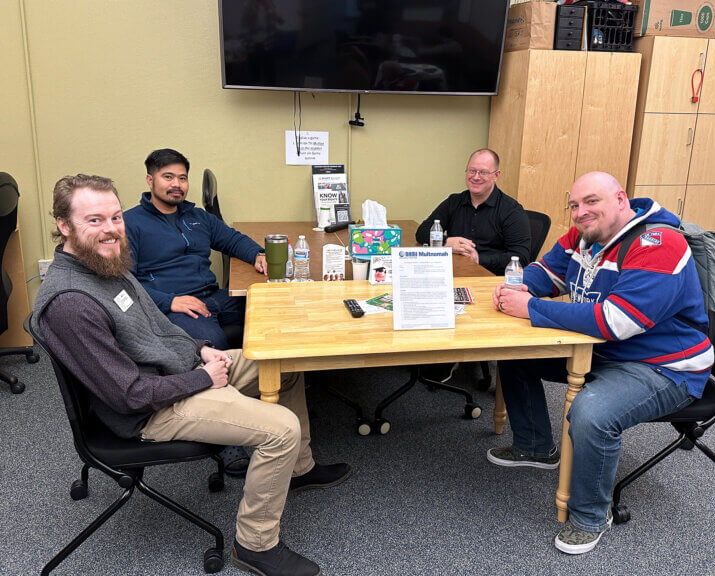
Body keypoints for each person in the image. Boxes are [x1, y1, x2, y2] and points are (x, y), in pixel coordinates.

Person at [33, 174, 351, 576]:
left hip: (179, 374)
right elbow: (128, 395)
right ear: (64, 225)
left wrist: (201, 350)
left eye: (115, 217)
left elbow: (158, 327)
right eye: (95, 220)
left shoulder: (105, 265)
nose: (111, 229)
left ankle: (298, 470)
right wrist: (205, 378)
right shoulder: (71, 302)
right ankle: (254, 545)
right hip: (150, 411)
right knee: (280, 428)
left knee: (282, 362)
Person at [488, 171, 713, 555]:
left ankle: (592, 516)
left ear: (621, 199)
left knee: (591, 413)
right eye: (574, 204)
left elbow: (617, 321)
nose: (580, 212)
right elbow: (548, 272)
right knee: (516, 354)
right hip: (602, 350)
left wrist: (532, 308)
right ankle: (536, 447)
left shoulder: (658, 243)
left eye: (591, 201)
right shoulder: (584, 235)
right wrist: (518, 284)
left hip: (663, 365)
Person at [124, 148, 265, 352]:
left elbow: (232, 240)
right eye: (168, 177)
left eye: (182, 178)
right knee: (212, 343)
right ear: (150, 180)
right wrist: (169, 301)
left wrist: (257, 254)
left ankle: (290, 380)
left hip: (214, 296)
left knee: (272, 310)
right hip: (175, 306)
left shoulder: (197, 217)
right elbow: (125, 282)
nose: (176, 184)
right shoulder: (130, 223)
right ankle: (229, 383)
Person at [415, 149, 531, 275]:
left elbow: (521, 257)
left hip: (490, 280)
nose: (476, 177)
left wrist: (479, 259)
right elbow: (422, 232)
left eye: (483, 172)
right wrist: (446, 242)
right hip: (455, 273)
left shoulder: (511, 210)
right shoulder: (454, 202)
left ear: (496, 176)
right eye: (472, 171)